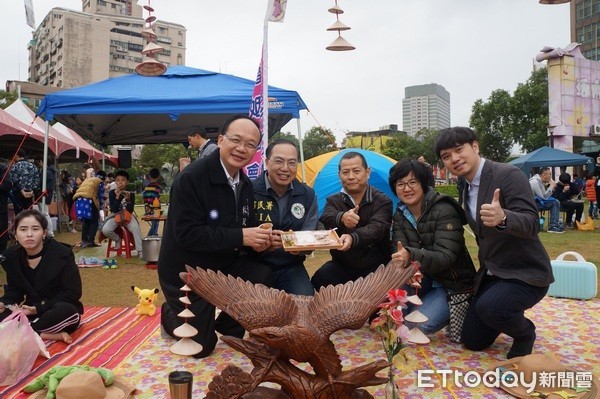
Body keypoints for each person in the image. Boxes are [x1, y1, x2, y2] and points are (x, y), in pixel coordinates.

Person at [158, 115, 274, 358]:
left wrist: (264, 238)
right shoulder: (191, 178)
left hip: (222, 264)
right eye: (236, 140)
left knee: (262, 274)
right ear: (220, 140)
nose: (242, 149)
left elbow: (245, 227)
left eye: (250, 144)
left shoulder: (245, 183)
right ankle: (169, 313)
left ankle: (225, 324)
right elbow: (187, 234)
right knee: (201, 347)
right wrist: (242, 237)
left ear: (256, 150)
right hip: (187, 270)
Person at [434, 127, 553, 359]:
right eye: (446, 156)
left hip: (525, 272)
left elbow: (532, 223)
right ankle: (499, 310)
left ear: (475, 147)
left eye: (459, 150)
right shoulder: (465, 186)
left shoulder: (508, 175)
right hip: (493, 273)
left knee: (491, 308)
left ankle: (525, 332)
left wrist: (504, 218)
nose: (454, 159)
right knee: (473, 340)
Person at [389, 159, 476, 335]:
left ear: (423, 183)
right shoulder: (399, 214)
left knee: (416, 326)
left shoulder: (444, 210)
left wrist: (410, 255)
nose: (407, 189)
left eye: (413, 182)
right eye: (400, 184)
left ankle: (456, 309)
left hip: (451, 284)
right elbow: (398, 251)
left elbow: (445, 257)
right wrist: (407, 270)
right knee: (391, 319)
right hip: (423, 280)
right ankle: (425, 305)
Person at [311, 151, 393, 290]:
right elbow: (326, 216)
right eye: (345, 172)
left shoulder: (383, 201)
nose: (351, 177)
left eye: (356, 171)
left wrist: (353, 238)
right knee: (320, 278)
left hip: (376, 268)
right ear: (339, 175)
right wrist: (342, 217)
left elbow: (377, 228)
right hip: (342, 266)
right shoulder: (333, 200)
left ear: (367, 172)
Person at [0, 209, 83, 343]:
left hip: (55, 309)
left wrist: (38, 308)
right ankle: (41, 334)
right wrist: (4, 303)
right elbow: (15, 291)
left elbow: (72, 292)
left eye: (35, 229)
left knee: (67, 311)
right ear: (15, 234)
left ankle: (21, 331)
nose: (29, 234)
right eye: (23, 229)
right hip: (29, 312)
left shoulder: (61, 254)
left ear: (44, 233)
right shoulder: (12, 257)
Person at [252, 139, 318, 295]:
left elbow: (310, 234)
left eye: (292, 163)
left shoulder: (307, 194)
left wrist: (297, 247)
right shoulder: (249, 190)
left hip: (291, 266)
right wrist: (263, 242)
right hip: (254, 264)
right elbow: (238, 233)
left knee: (304, 304)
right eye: (279, 161)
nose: (285, 168)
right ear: (267, 162)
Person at [101, 170, 143, 256]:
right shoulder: (112, 193)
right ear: (115, 181)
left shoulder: (131, 194)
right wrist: (117, 197)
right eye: (118, 180)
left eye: (123, 180)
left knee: (135, 228)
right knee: (105, 230)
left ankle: (140, 250)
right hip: (115, 216)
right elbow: (114, 209)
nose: (120, 182)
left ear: (127, 182)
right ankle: (117, 240)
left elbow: (130, 210)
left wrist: (128, 200)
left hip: (127, 216)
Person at [72, 170, 106, 248]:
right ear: (104, 178)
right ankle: (90, 241)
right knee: (94, 221)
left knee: (86, 220)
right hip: (89, 200)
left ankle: (84, 240)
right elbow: (100, 196)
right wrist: (100, 206)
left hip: (79, 200)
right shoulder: (100, 181)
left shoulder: (89, 180)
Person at [529, 167, 564, 233]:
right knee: (555, 202)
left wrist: (551, 189)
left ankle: (554, 225)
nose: (550, 176)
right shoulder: (535, 182)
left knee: (555, 201)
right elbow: (544, 197)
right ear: (544, 174)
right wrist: (551, 186)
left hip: (534, 202)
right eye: (549, 174)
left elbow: (544, 196)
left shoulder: (539, 181)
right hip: (531, 204)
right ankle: (553, 226)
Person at [9, 150, 40, 215]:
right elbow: (37, 179)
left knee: (19, 213)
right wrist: (33, 191)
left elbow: (14, 180)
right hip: (30, 193)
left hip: (18, 192)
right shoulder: (33, 166)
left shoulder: (15, 166)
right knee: (28, 213)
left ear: (17, 155)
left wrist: (21, 190)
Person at [142, 168, 162, 236]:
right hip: (156, 209)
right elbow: (155, 198)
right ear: (158, 176)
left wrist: (147, 205)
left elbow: (144, 197)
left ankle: (152, 235)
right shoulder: (158, 187)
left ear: (150, 176)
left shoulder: (146, 187)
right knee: (155, 224)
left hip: (148, 209)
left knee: (154, 224)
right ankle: (152, 236)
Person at [0, 161, 12, 253]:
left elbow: (8, 185)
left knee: (2, 230)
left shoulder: (2, 167)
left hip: (1, 207)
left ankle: (2, 252)